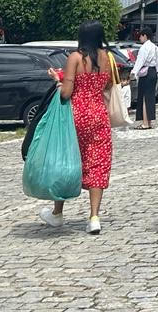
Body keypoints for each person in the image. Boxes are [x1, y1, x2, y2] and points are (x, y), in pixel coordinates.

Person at [40, 19, 113, 234]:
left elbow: (66, 93)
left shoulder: (75, 58)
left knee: (66, 161)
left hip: (77, 116)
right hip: (99, 115)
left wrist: (57, 80)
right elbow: (108, 85)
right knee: (98, 163)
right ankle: (94, 217)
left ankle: (57, 213)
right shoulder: (107, 57)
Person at [132, 28, 158, 130]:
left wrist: (134, 72)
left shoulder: (144, 48)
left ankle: (145, 123)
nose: (139, 38)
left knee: (144, 97)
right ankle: (149, 122)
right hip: (153, 71)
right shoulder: (154, 47)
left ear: (144, 36)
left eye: (140, 36)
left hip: (146, 73)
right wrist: (155, 71)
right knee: (151, 97)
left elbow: (140, 61)